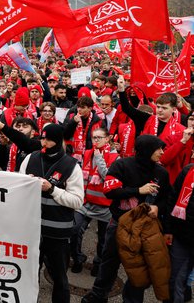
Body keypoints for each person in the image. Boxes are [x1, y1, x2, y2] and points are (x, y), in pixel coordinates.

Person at [82, 135, 172, 303]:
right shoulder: (121, 165)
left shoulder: (161, 172)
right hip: (119, 224)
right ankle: (98, 296)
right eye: (158, 149)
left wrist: (157, 207)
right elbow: (110, 191)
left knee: (138, 269)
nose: (161, 152)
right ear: (146, 150)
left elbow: (167, 199)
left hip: (145, 229)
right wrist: (138, 190)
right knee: (108, 263)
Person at [19, 123, 84, 303]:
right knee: (29, 276)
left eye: (48, 140)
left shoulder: (71, 165)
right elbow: (18, 188)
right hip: (31, 231)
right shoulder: (30, 158)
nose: (44, 143)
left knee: (60, 279)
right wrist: (25, 183)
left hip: (58, 235)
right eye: (42, 138)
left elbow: (77, 201)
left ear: (57, 141)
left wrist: (52, 189)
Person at [70, 127, 119, 276]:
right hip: (85, 203)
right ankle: (78, 258)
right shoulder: (87, 153)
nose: (95, 140)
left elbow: (108, 178)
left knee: (103, 240)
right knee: (74, 230)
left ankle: (98, 263)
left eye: (99, 137)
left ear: (107, 139)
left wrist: (99, 159)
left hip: (105, 206)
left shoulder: (115, 157)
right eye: (93, 138)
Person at [165, 163, 194, 303]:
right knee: (175, 278)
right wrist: (168, 229)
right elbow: (173, 198)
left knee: (182, 280)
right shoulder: (188, 171)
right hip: (182, 235)